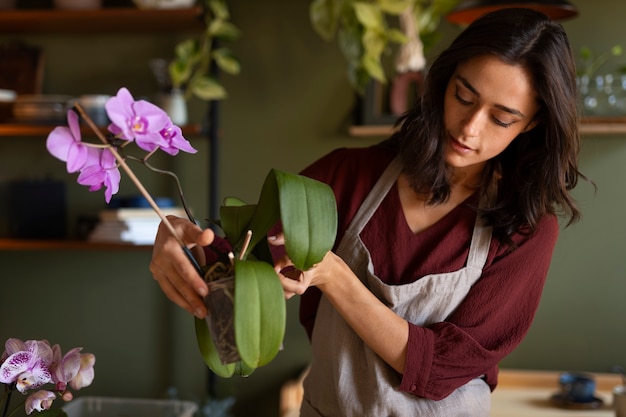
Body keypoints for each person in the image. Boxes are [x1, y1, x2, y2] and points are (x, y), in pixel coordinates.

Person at [150, 8, 585, 416]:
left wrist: (335, 276)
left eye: (501, 118)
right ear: (444, 81)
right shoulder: (349, 175)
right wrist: (181, 241)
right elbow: (243, 261)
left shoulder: (527, 230)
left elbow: (440, 370)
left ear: (532, 123)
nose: (470, 127)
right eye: (464, 96)